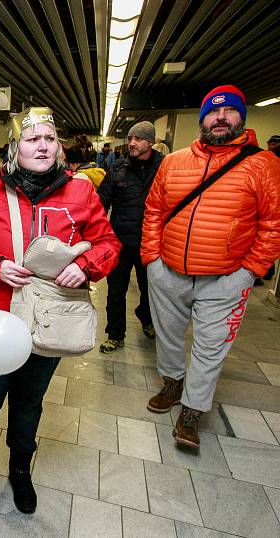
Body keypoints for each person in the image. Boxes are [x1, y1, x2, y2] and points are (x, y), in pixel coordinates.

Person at [0, 107, 120, 520]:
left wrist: (86, 266)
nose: (42, 146)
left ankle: (20, 469)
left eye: (49, 140)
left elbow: (107, 243)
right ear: (15, 148)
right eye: (32, 139)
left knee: (29, 403)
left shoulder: (80, 192)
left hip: (51, 322)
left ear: (59, 147)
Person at [142, 85, 280, 449]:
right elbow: (154, 211)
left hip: (226, 278)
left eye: (230, 111)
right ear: (202, 119)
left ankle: (192, 410)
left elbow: (273, 223)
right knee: (168, 335)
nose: (221, 117)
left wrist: (250, 270)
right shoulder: (173, 162)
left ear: (241, 118)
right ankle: (172, 383)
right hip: (168, 270)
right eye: (213, 112)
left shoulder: (263, 164)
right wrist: (152, 259)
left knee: (210, 346)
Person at [96, 121, 164, 353]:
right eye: (131, 138)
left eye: (139, 139)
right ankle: (115, 334)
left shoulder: (165, 168)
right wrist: (96, 235)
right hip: (120, 242)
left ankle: (146, 318)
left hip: (151, 243)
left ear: (151, 142)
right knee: (116, 291)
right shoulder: (118, 169)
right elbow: (100, 203)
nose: (132, 143)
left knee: (151, 290)